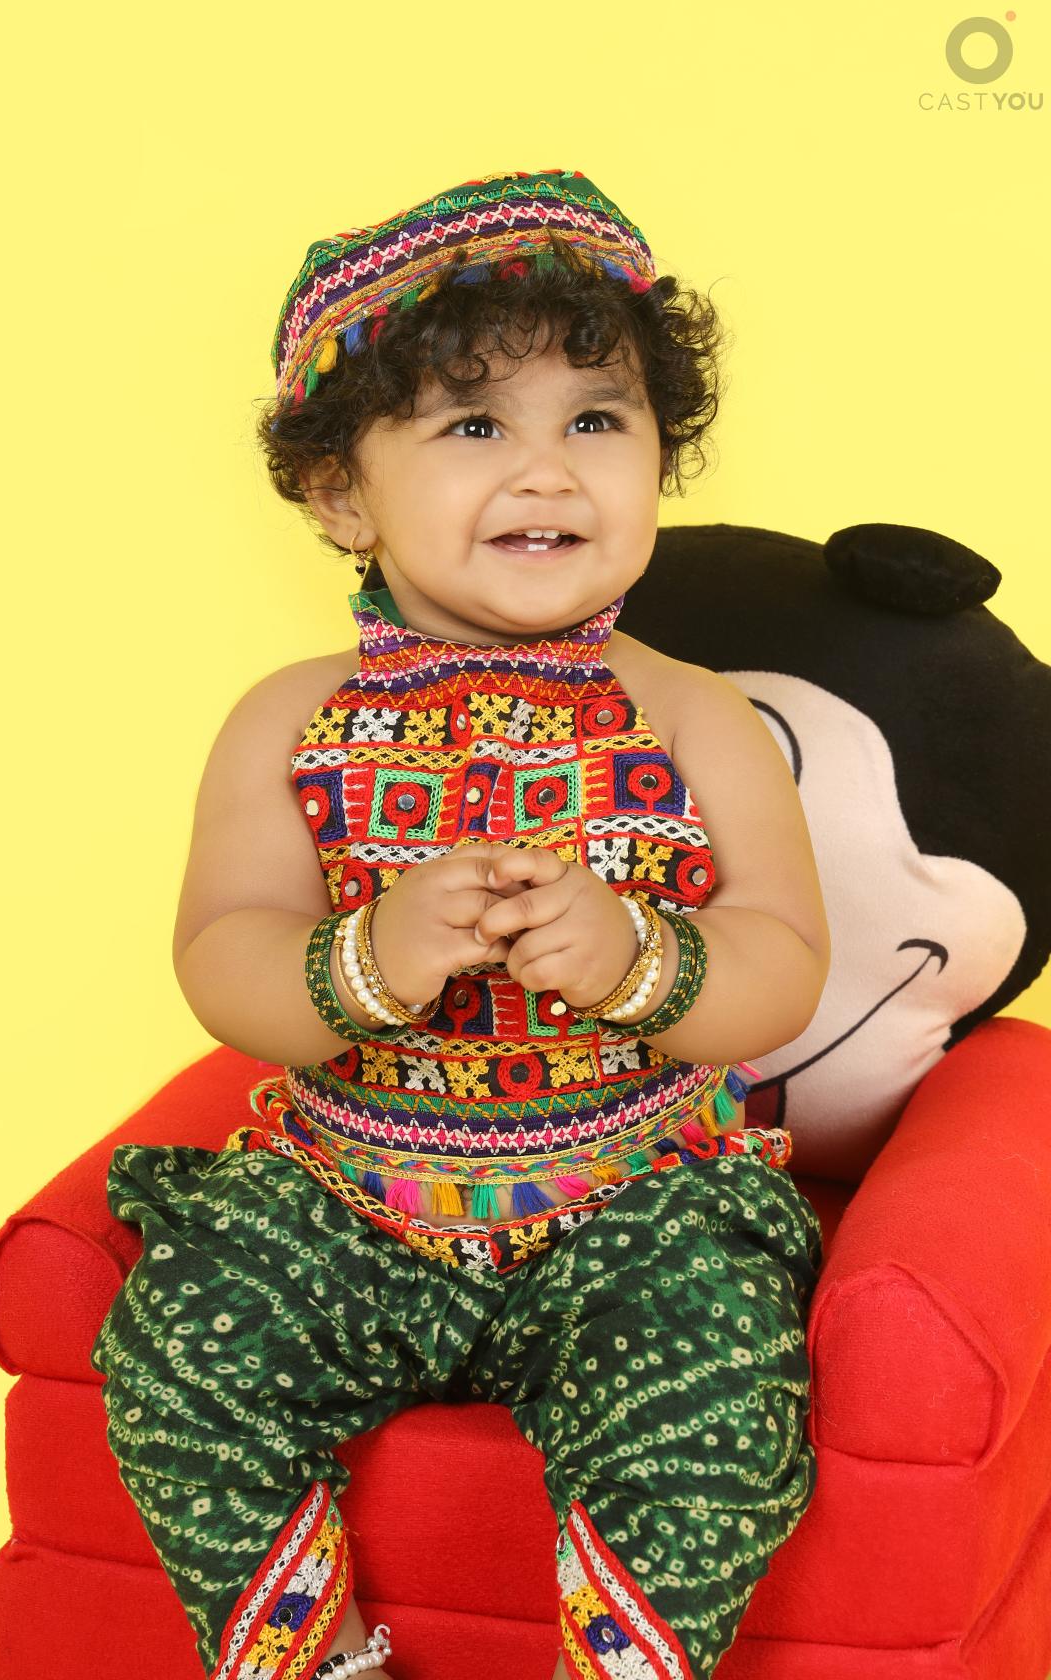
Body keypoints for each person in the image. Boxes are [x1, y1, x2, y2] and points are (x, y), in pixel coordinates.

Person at [89, 167, 830, 1680]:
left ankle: (623, 1660)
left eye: (598, 420)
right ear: (339, 491)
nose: (548, 473)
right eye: (475, 427)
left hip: (632, 1202)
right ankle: (312, 1656)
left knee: (720, 1383)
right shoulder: (288, 720)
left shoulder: (698, 717)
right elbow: (224, 955)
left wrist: (640, 961)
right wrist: (366, 963)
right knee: (176, 1341)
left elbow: (786, 966)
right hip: (351, 1196)